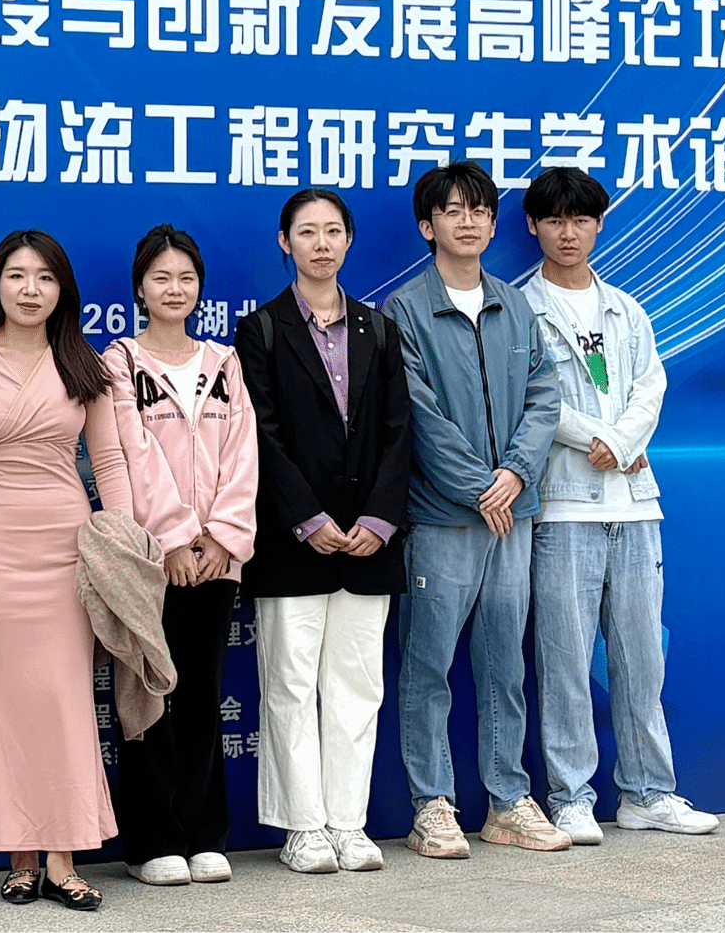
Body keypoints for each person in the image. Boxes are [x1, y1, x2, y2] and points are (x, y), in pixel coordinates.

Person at [0, 229, 135, 911]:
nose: (30, 289)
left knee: (65, 698)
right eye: (17, 276)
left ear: (62, 290)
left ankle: (65, 859)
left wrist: (124, 547)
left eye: (45, 278)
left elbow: (109, 463)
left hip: (68, 550)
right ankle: (20, 858)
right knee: (10, 700)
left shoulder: (83, 362)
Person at [519, 167, 718, 843]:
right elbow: (533, 398)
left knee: (641, 659)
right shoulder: (521, 309)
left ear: (599, 225)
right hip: (564, 507)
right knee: (566, 661)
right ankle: (571, 797)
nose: (567, 232)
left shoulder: (626, 309)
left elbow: (650, 387)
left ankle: (648, 793)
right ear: (532, 227)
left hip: (634, 504)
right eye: (554, 220)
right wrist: (598, 439)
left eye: (580, 219)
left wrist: (625, 440)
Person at [383, 161, 568, 859]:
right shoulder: (404, 310)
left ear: (494, 224)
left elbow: (544, 395)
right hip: (443, 517)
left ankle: (508, 802)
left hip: (513, 512)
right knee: (428, 665)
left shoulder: (515, 304)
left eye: (481, 210)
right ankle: (431, 805)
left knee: (503, 664)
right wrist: (476, 487)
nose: (469, 221)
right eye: (453, 210)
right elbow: (417, 411)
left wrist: (514, 474)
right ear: (427, 226)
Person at [234, 190, 413, 875]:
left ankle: (349, 823)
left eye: (333, 231)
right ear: (285, 242)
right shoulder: (261, 330)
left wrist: (378, 520)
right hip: (291, 541)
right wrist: (308, 518)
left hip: (370, 542)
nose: (321, 244)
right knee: (289, 684)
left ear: (349, 240)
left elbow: (400, 432)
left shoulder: (379, 329)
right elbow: (261, 435)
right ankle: (304, 828)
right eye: (306, 232)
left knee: (357, 687)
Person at [102, 224, 259, 887]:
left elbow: (244, 453)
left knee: (201, 694)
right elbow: (131, 455)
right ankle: (151, 841)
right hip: (150, 560)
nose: (174, 289)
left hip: (218, 559)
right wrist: (170, 539)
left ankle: (204, 834)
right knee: (146, 696)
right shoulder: (120, 363)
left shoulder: (224, 362)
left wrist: (221, 536)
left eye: (186, 278)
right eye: (161, 277)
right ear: (139, 287)